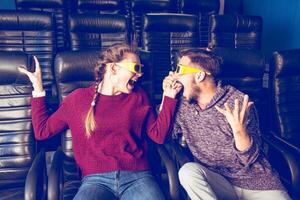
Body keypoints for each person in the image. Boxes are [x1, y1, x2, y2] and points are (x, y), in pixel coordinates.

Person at [19, 43, 182, 200]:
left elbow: (158, 136)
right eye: (136, 68)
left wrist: (169, 97)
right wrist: (38, 89)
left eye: (142, 69)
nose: (140, 74)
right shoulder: (77, 99)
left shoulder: (139, 96)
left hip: (138, 177)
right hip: (95, 181)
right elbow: (42, 132)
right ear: (113, 68)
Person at [171, 48, 291, 200]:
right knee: (187, 172)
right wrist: (167, 97)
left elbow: (249, 160)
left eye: (179, 69)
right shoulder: (183, 105)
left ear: (200, 75)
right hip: (217, 181)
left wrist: (240, 132)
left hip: (256, 182)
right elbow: (165, 135)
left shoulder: (238, 102)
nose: (175, 75)